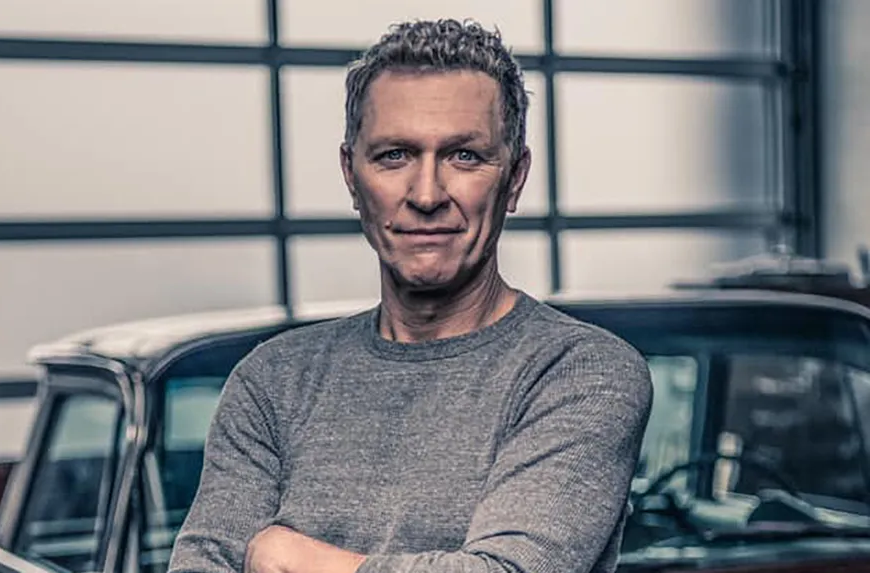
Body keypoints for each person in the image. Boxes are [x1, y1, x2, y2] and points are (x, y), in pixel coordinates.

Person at [168, 18, 653, 573]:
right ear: (352, 176)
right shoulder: (272, 383)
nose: (426, 194)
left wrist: (292, 558)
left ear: (514, 178)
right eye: (394, 155)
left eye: (464, 156)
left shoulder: (582, 373)